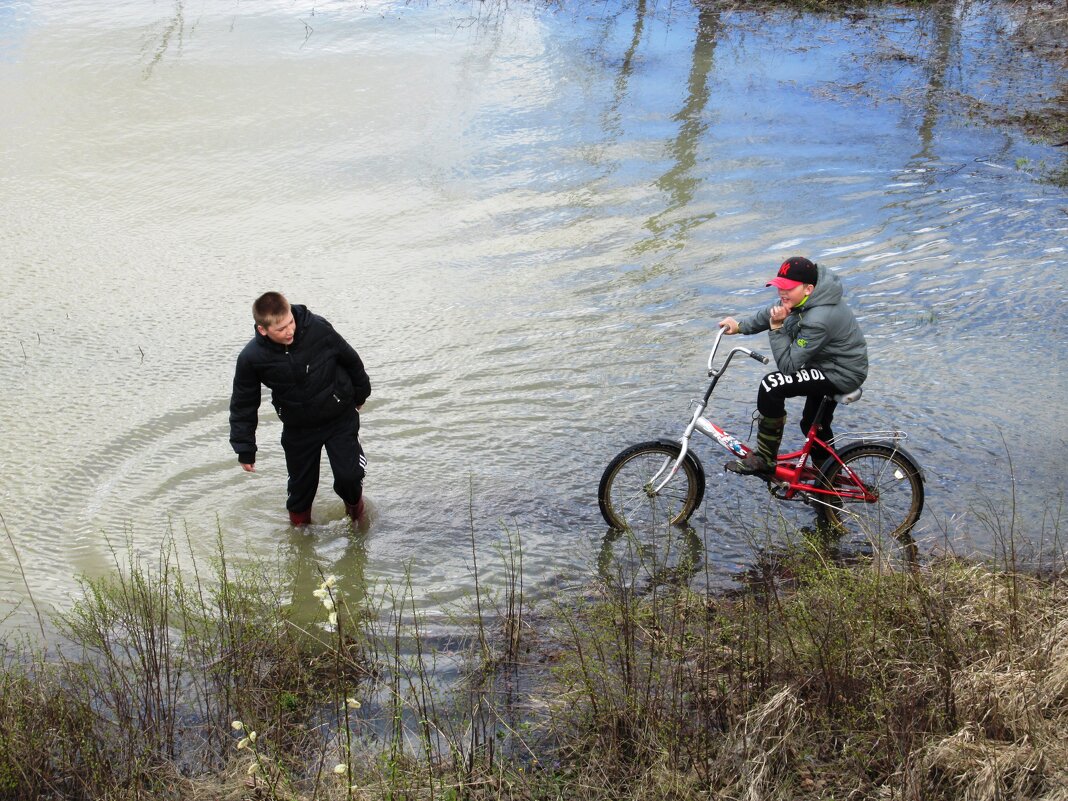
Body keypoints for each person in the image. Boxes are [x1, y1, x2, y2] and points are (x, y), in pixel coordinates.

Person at [229, 292, 371, 527]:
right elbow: (243, 402)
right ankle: (301, 539)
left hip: (339, 417)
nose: (289, 331)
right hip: (299, 428)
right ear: (263, 330)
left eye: (290, 322)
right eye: (281, 328)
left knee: (349, 477)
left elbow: (350, 358)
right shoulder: (252, 357)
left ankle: (358, 518)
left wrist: (361, 393)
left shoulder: (317, 328)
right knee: (300, 491)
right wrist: (245, 448)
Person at [717, 256, 868, 476]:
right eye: (780, 288)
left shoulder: (818, 318)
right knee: (812, 426)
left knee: (772, 385)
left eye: (787, 289)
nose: (781, 294)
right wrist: (739, 327)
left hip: (841, 373)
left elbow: (788, 366)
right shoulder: (804, 300)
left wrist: (776, 328)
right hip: (827, 365)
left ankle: (766, 459)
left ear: (808, 289)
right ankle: (828, 483)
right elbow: (772, 311)